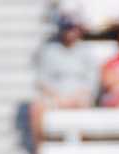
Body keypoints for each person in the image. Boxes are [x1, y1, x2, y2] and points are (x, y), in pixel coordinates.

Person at [31, 15, 95, 144]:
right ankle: (39, 150)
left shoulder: (87, 51)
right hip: (55, 96)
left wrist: (74, 97)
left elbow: (92, 81)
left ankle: (81, 146)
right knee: (36, 108)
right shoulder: (49, 51)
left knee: (84, 104)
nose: (70, 32)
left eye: (73, 28)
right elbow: (41, 80)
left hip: (78, 97)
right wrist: (58, 98)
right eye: (67, 28)